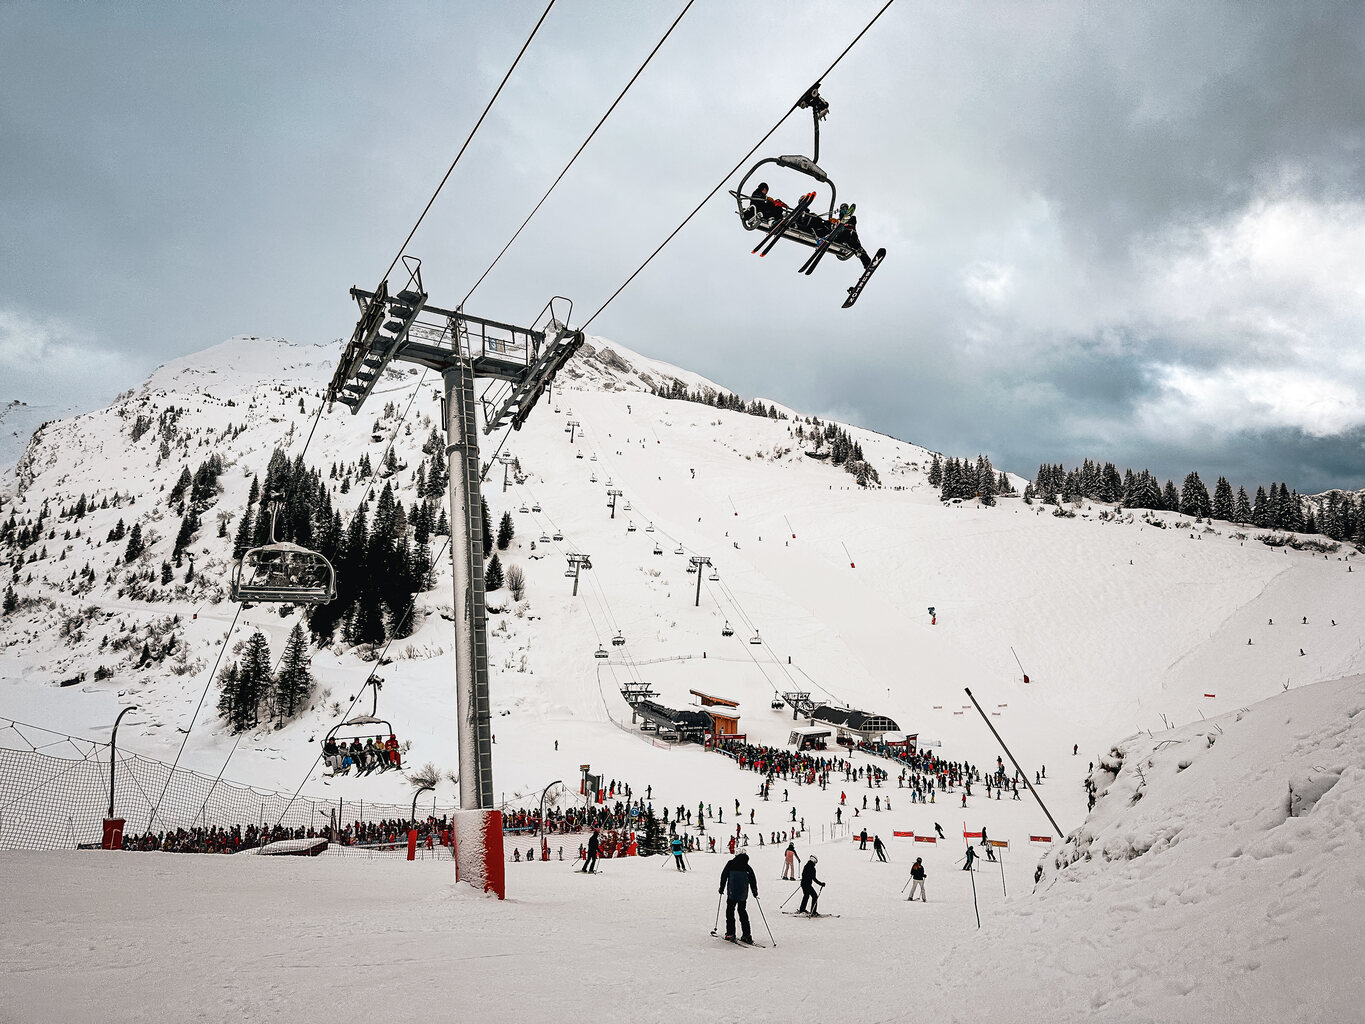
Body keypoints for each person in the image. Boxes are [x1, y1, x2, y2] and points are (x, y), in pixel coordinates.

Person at [719, 851, 759, 944]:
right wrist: (754, 891)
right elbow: (753, 879)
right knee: (742, 912)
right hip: (743, 894)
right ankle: (747, 935)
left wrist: (721, 888)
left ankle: (730, 933)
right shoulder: (747, 867)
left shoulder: (730, 864)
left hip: (732, 892)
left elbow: (724, 875)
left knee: (730, 912)